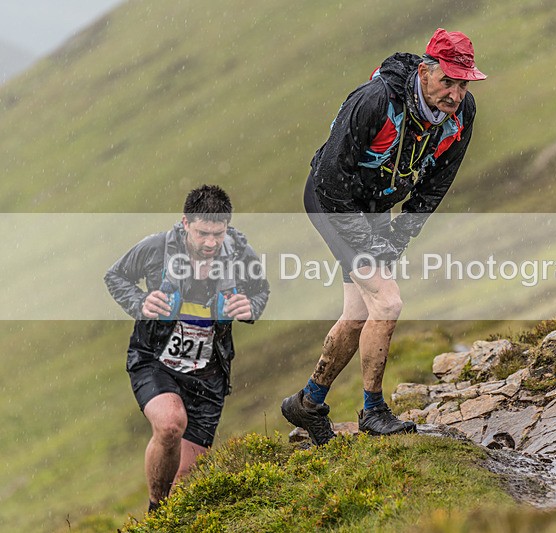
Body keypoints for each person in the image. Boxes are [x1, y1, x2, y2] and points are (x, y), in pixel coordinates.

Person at [281, 28, 486, 445]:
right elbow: (329, 179)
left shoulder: (462, 116)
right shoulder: (375, 100)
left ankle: (307, 403)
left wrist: (397, 238)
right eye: (447, 81)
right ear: (425, 72)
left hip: (376, 207)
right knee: (388, 302)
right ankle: (373, 411)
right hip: (331, 199)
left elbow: (433, 188)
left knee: (359, 314)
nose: (455, 94)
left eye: (463, 84)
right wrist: (369, 241)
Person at [104, 185, 269, 512]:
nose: (210, 243)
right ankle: (155, 513)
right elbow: (116, 276)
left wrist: (251, 307)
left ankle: (166, 516)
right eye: (203, 233)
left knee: (185, 483)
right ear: (185, 223)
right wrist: (139, 302)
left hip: (209, 375)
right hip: (154, 361)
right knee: (169, 424)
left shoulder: (239, 254)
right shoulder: (155, 249)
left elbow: (260, 290)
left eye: (218, 234)